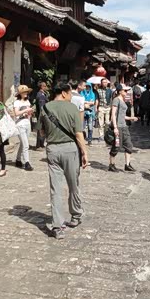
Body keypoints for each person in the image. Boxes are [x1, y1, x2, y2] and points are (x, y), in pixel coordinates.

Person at [38, 82, 89, 239]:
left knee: (56, 188)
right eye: (70, 93)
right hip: (70, 149)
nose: (71, 96)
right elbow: (79, 133)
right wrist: (84, 152)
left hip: (52, 149)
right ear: (64, 93)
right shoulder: (72, 108)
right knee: (73, 184)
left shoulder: (45, 108)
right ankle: (76, 215)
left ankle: (57, 226)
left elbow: (41, 132)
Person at [109, 83, 139, 172]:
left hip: (124, 126)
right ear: (120, 91)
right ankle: (111, 164)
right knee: (116, 146)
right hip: (118, 127)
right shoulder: (116, 100)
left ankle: (127, 164)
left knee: (129, 145)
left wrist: (131, 118)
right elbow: (113, 114)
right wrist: (115, 127)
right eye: (125, 90)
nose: (126, 92)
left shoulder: (123, 100)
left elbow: (122, 115)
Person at [12, 85, 35, 171]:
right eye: (24, 92)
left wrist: (30, 112)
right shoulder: (17, 102)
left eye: (26, 92)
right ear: (20, 93)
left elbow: (29, 113)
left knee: (23, 143)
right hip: (20, 124)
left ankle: (18, 160)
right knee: (26, 144)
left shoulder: (27, 101)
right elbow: (16, 113)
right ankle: (27, 163)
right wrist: (26, 110)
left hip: (27, 123)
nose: (26, 93)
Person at [35, 82, 49, 149]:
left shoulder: (43, 94)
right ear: (41, 87)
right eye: (45, 86)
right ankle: (39, 145)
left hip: (41, 114)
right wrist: (44, 115)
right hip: (41, 115)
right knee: (41, 129)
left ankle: (41, 144)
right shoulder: (41, 95)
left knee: (42, 129)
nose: (46, 87)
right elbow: (41, 107)